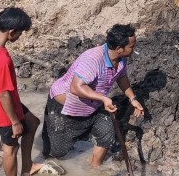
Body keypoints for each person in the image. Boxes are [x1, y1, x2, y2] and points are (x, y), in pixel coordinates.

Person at [42, 24, 145, 168]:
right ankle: (44, 163)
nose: (133, 50)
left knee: (106, 133)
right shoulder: (93, 60)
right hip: (65, 106)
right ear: (119, 49)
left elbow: (121, 77)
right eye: (131, 47)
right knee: (57, 152)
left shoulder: (121, 59)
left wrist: (132, 99)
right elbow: (76, 87)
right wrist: (103, 98)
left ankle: (95, 168)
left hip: (92, 104)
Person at [0, 7, 43, 176]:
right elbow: (3, 94)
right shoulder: (2, 60)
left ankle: (27, 167)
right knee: (11, 148)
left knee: (32, 122)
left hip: (1, 101)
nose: (20, 36)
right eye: (20, 33)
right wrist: (14, 121)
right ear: (11, 32)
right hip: (4, 109)